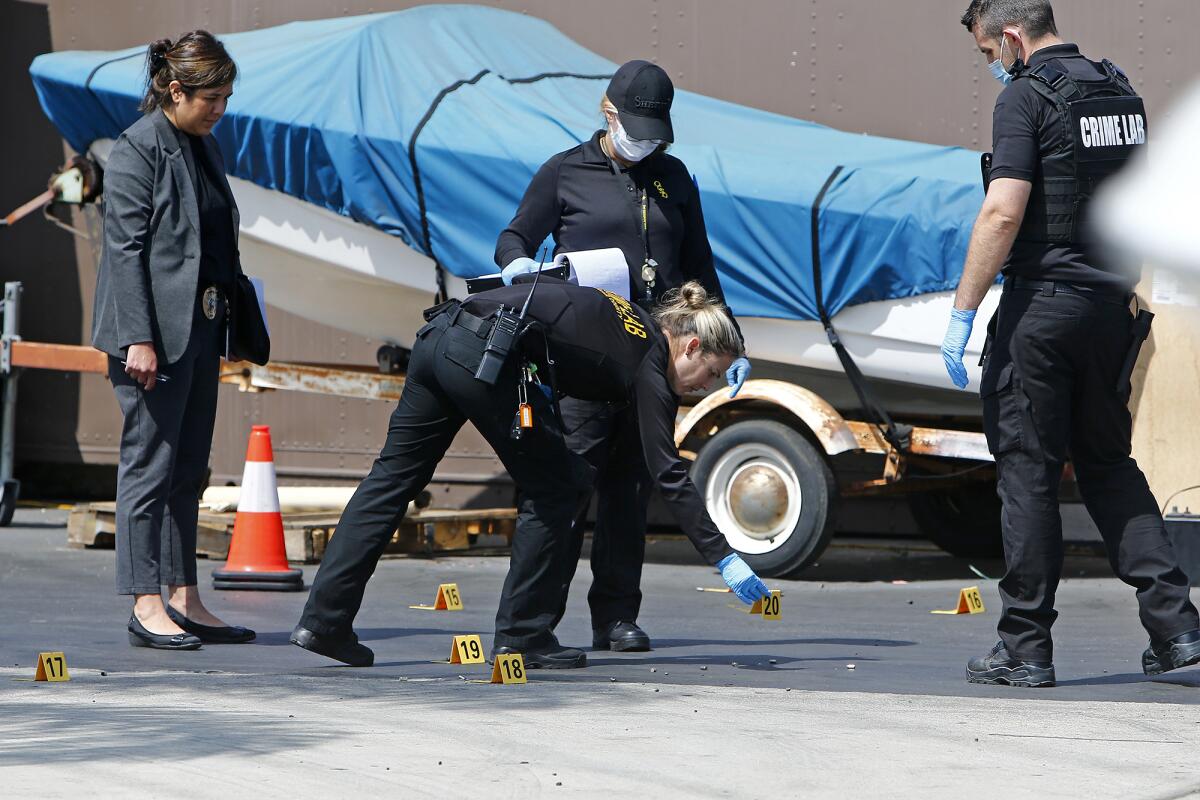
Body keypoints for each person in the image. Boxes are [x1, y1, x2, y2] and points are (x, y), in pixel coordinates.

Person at [291, 279, 770, 668]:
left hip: (441, 335)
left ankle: (324, 621)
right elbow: (667, 473)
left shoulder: (626, 315)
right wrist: (723, 556)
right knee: (560, 487)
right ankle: (522, 635)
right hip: (486, 352)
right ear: (690, 345)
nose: (703, 389)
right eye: (710, 374)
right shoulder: (649, 361)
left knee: (391, 479)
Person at [944, 0, 1200, 687]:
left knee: (1027, 474)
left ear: (1009, 36)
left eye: (986, 53)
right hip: (1111, 309)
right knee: (1110, 464)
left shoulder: (1025, 98)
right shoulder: (1121, 92)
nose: (991, 66)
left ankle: (1024, 648)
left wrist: (964, 312)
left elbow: (1003, 211)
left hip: (1044, 311)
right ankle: (1177, 630)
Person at [493, 59, 751, 653]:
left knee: (631, 491)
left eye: (656, 134)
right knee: (568, 486)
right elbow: (515, 237)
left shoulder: (674, 177)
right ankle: (536, 623)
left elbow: (701, 264)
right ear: (607, 113)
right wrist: (517, 267)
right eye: (637, 129)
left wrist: (730, 339)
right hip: (587, 357)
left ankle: (615, 616)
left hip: (654, 359)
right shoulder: (564, 172)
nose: (646, 143)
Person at [95, 31, 255, 649]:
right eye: (211, 97)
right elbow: (125, 250)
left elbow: (212, 244)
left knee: (188, 468)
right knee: (149, 468)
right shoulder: (139, 150)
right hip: (153, 338)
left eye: (226, 97)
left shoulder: (200, 147)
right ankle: (144, 602)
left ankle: (184, 596)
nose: (219, 108)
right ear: (174, 88)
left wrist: (234, 324)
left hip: (199, 330)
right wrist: (138, 338)